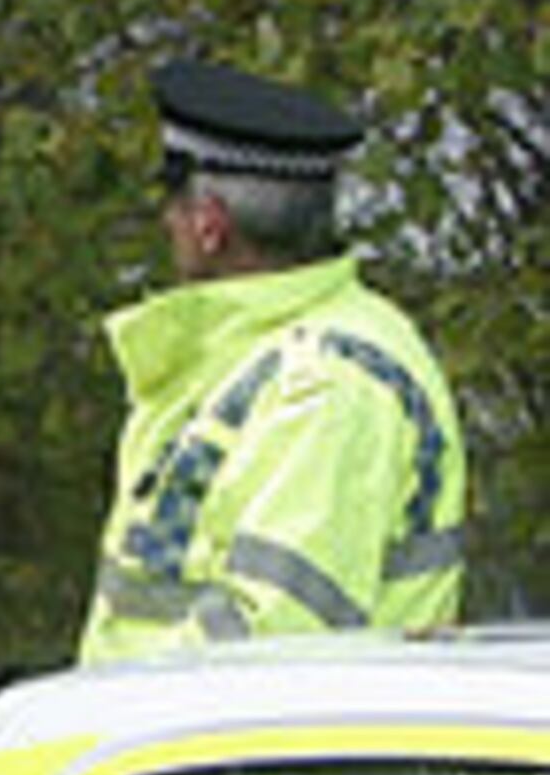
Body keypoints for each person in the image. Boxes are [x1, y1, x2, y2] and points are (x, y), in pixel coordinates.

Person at [80, 55, 463, 663]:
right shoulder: (267, 358)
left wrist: (81, 713)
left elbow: (266, 653)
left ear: (210, 225)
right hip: (190, 747)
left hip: (260, 755)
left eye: (173, 202)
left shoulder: (326, 385)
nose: (165, 221)